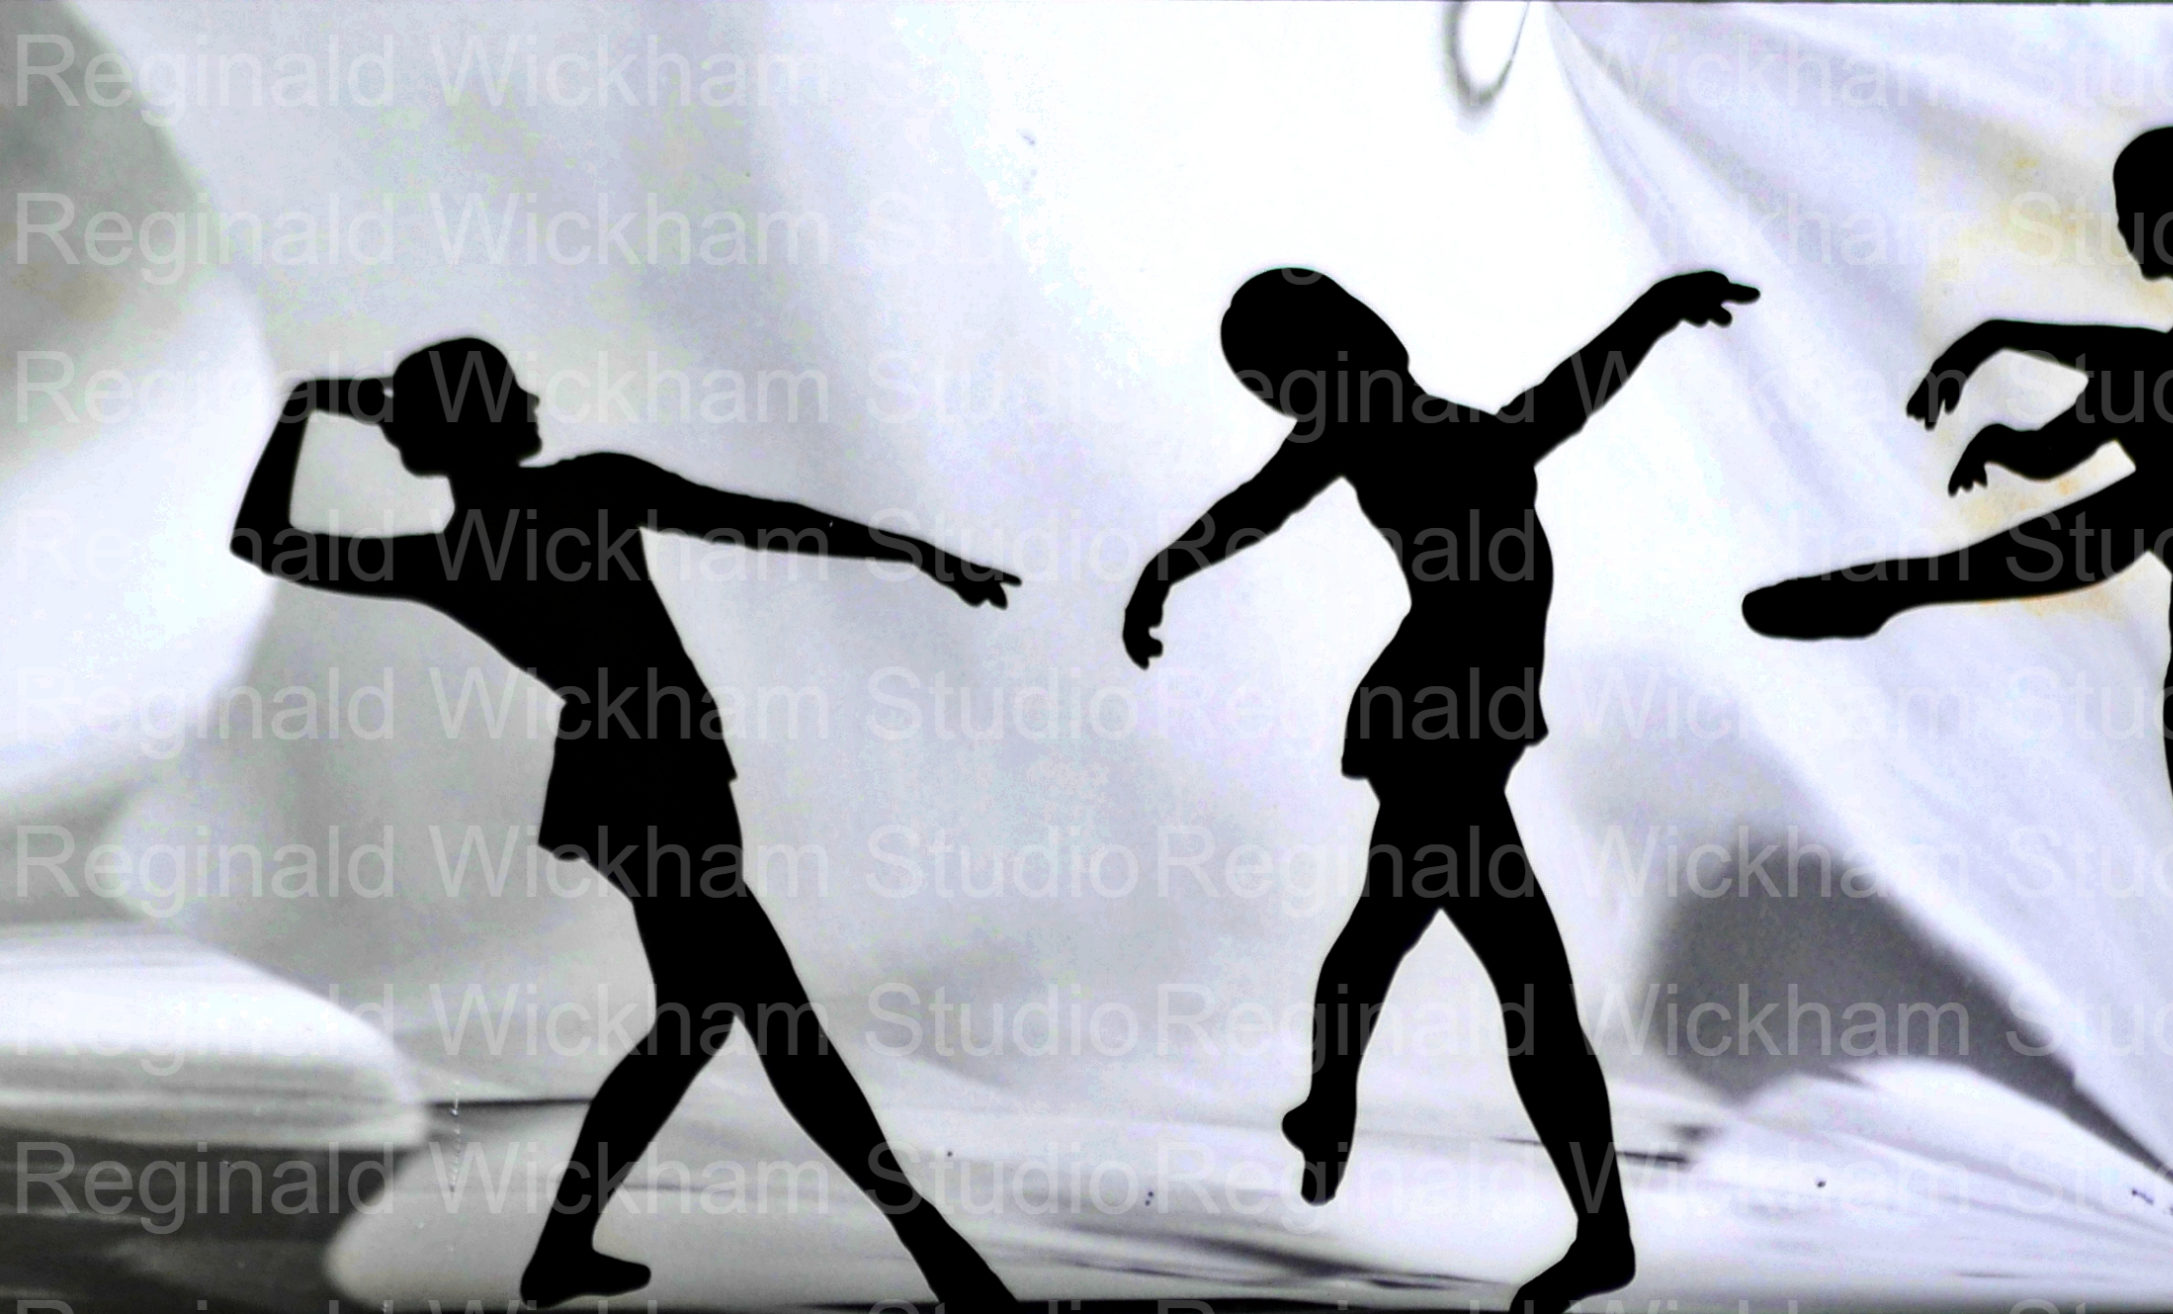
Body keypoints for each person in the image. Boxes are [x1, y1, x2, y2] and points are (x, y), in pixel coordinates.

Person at [229, 339, 1023, 1311]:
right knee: (775, 1020)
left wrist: (304, 409)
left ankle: (564, 1247)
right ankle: (938, 1253)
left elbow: (264, 541)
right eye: (508, 390)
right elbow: (757, 524)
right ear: (482, 419)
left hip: (632, 780)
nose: (531, 397)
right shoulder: (587, 492)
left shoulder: (454, 557)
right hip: (656, 778)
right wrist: (911, 551)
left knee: (695, 1022)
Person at [1742, 127, 2173, 1314]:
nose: (2156, 229)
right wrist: (2005, 422)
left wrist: (1998, 340)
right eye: (2144, 210)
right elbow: (2075, 432)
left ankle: (1894, 589)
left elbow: (2165, 439)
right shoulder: (2142, 369)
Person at [1123, 267, 1756, 1314]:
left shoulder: (1395, 431)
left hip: (1445, 726)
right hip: (1440, 732)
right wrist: (1164, 571)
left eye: (1275, 384)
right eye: (1273, 392)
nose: (1285, 410)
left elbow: (1563, 395)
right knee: (1524, 990)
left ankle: (1332, 1109)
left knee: (1394, 944)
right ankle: (1587, 1230)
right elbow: (1261, 508)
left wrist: (1164, 573)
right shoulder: (1383, 432)